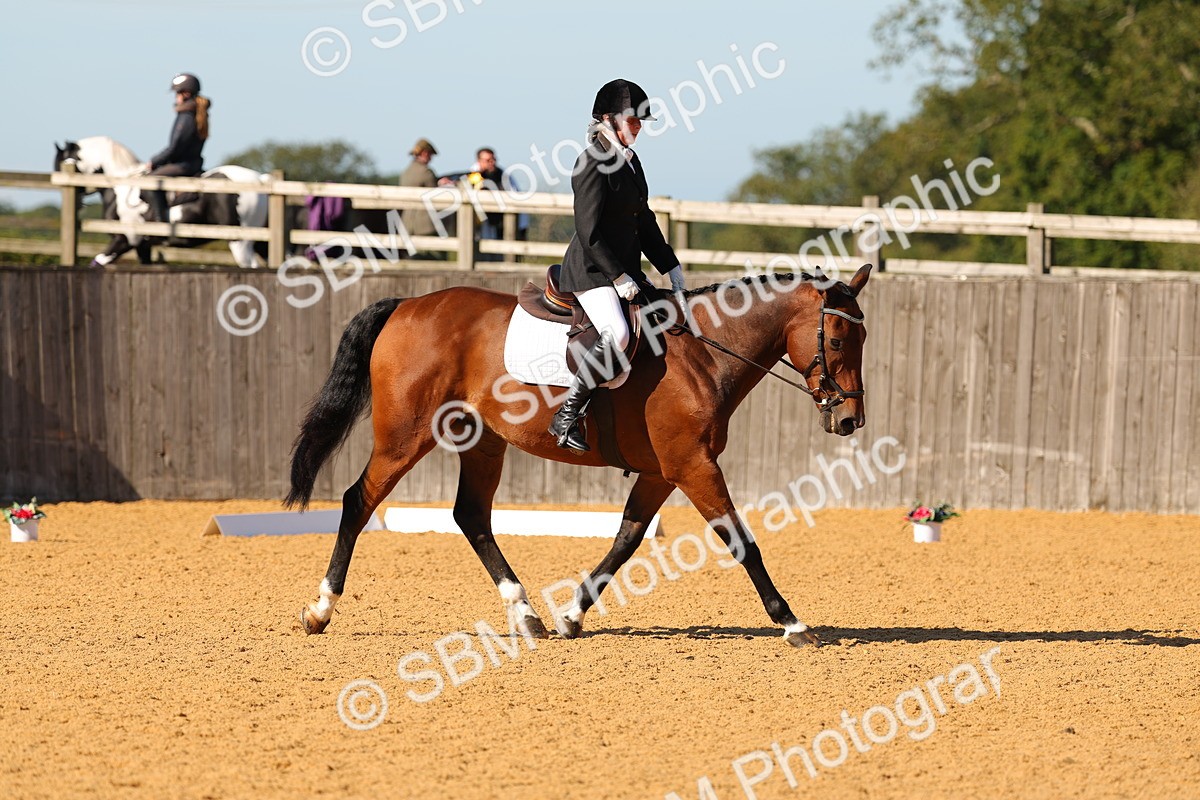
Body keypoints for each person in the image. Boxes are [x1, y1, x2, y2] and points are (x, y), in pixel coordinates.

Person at [548, 78, 687, 452]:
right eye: (633, 120)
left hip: (625, 270)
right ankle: (566, 416)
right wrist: (618, 275)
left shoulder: (630, 160)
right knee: (619, 333)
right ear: (608, 119)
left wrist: (670, 265)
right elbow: (588, 230)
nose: (638, 128)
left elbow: (644, 219)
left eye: (641, 121)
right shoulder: (591, 161)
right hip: (592, 272)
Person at [143, 73, 209, 225]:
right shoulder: (197, 114)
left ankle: (160, 223)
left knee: (149, 182)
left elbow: (175, 148)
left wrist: (155, 161)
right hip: (193, 162)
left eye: (177, 93)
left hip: (183, 165)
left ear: (186, 94)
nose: (175, 97)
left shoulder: (186, 117)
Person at [471, 147, 528, 262]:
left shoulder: (504, 177)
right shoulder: (471, 177)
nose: (491, 163)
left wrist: (522, 228)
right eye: (487, 160)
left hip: (500, 226)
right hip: (478, 227)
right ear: (479, 161)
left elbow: (516, 197)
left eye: (493, 159)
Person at [400, 138, 440, 238]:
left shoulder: (406, 172)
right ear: (425, 153)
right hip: (425, 226)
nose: (431, 158)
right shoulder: (426, 172)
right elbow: (435, 194)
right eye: (430, 155)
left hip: (407, 224)